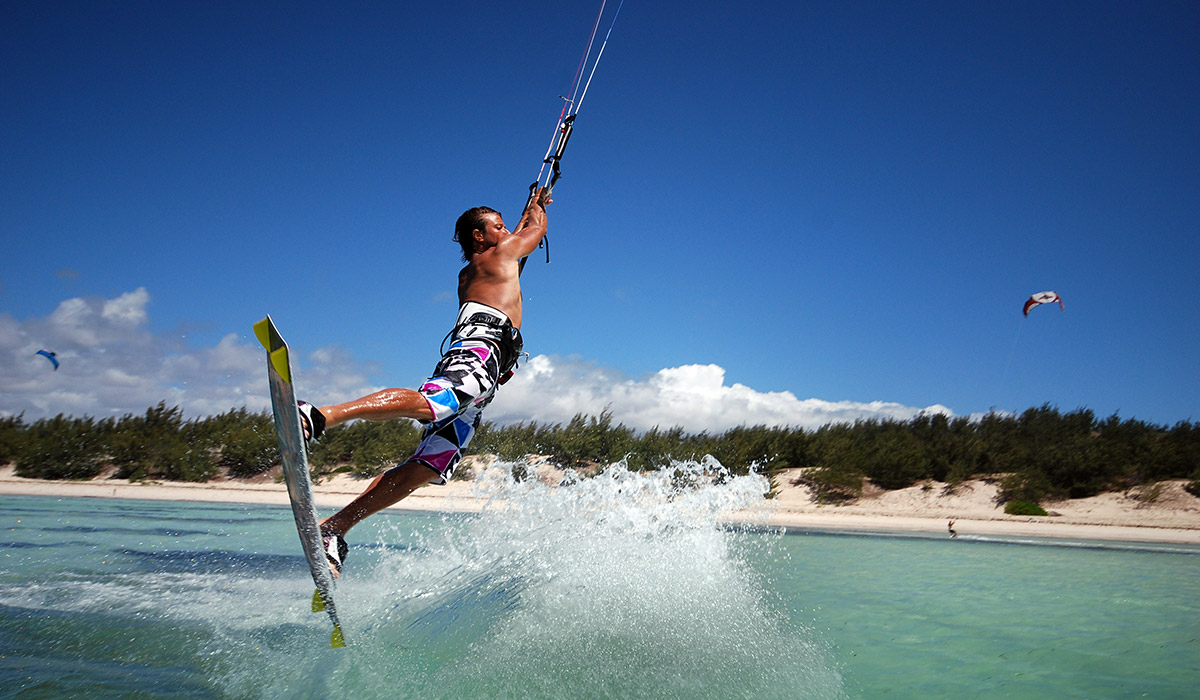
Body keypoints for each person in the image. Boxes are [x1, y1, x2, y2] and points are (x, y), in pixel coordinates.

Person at [298, 188, 551, 577]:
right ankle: (320, 416)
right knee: (431, 403)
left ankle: (334, 529)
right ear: (478, 237)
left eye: (505, 226)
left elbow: (519, 237)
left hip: (486, 375)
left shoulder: (482, 264)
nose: (506, 231)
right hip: (478, 353)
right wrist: (538, 205)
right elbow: (535, 230)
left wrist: (519, 221)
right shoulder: (502, 253)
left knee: (429, 466)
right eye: (497, 226)